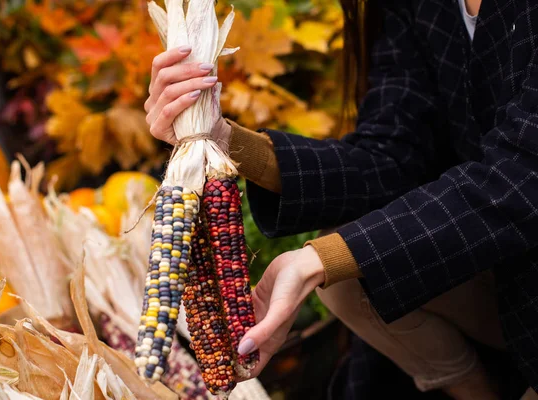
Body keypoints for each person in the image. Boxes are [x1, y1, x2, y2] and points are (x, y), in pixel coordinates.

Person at [144, 0, 538, 398]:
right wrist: (222, 140)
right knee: (348, 273)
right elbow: (392, 157)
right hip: (496, 278)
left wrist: (319, 260)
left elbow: (522, 176)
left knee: (341, 256)